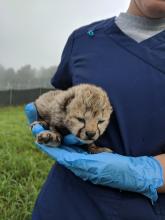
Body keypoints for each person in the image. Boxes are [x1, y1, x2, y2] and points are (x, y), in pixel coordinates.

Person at [31, 0, 165, 219]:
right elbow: (62, 101)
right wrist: (49, 122)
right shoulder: (83, 40)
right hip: (66, 204)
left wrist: (144, 174)